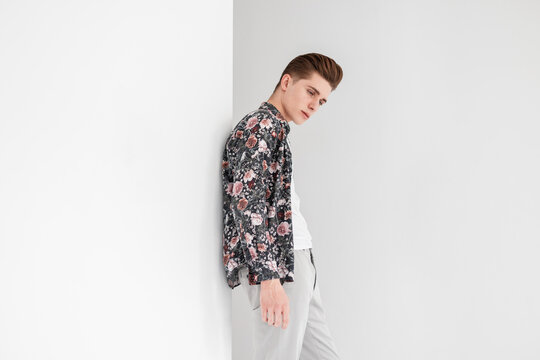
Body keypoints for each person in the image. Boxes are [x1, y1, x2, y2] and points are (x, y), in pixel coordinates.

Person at [221, 53, 343, 359]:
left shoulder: (274, 129)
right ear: (287, 82)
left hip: (298, 259)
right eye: (311, 92)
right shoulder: (261, 126)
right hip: (279, 268)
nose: (315, 105)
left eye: (323, 101)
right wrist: (269, 278)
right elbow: (248, 203)